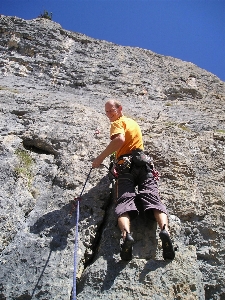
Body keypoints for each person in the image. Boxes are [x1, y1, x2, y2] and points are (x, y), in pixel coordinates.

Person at [92, 99, 175, 261]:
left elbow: (120, 140)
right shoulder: (133, 123)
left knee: (124, 201)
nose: (109, 114)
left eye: (111, 110)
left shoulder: (118, 123)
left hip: (126, 167)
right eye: (107, 112)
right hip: (144, 165)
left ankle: (126, 237)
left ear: (120, 108)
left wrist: (100, 158)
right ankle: (165, 231)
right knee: (153, 197)